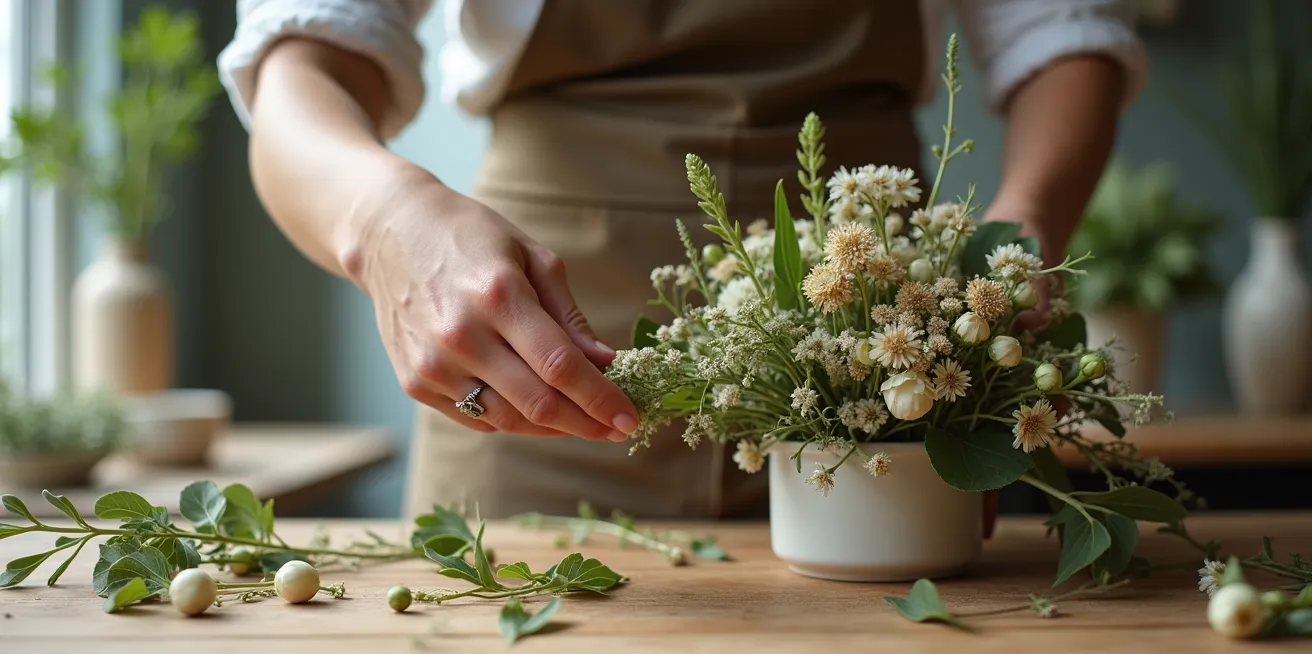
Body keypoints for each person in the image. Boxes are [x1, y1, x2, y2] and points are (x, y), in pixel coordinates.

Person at [218, 0, 1146, 521]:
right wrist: (387, 221)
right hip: (540, 361)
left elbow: (1062, 33)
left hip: (886, 353)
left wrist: (1013, 240)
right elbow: (303, 64)